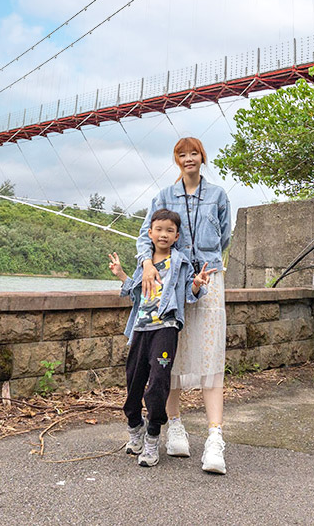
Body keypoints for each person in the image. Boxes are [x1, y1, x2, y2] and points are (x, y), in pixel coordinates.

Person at [136, 136, 231, 474]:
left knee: (211, 357)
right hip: (172, 281)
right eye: (182, 154)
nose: (188, 158)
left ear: (202, 157)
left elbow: (224, 237)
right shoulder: (164, 196)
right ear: (176, 159)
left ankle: (214, 439)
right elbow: (144, 236)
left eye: (193, 153)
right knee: (169, 353)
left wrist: (205, 269)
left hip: (209, 280)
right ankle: (174, 424)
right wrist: (148, 263)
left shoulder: (218, 195)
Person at [109, 208, 216, 467]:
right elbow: (135, 293)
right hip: (140, 328)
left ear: (177, 235)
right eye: (159, 229)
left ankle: (153, 437)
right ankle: (135, 427)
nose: (164, 234)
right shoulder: (143, 263)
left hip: (165, 328)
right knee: (133, 382)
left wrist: (197, 283)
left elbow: (188, 295)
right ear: (150, 233)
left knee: (158, 382)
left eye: (169, 230)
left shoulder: (180, 262)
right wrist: (121, 274)